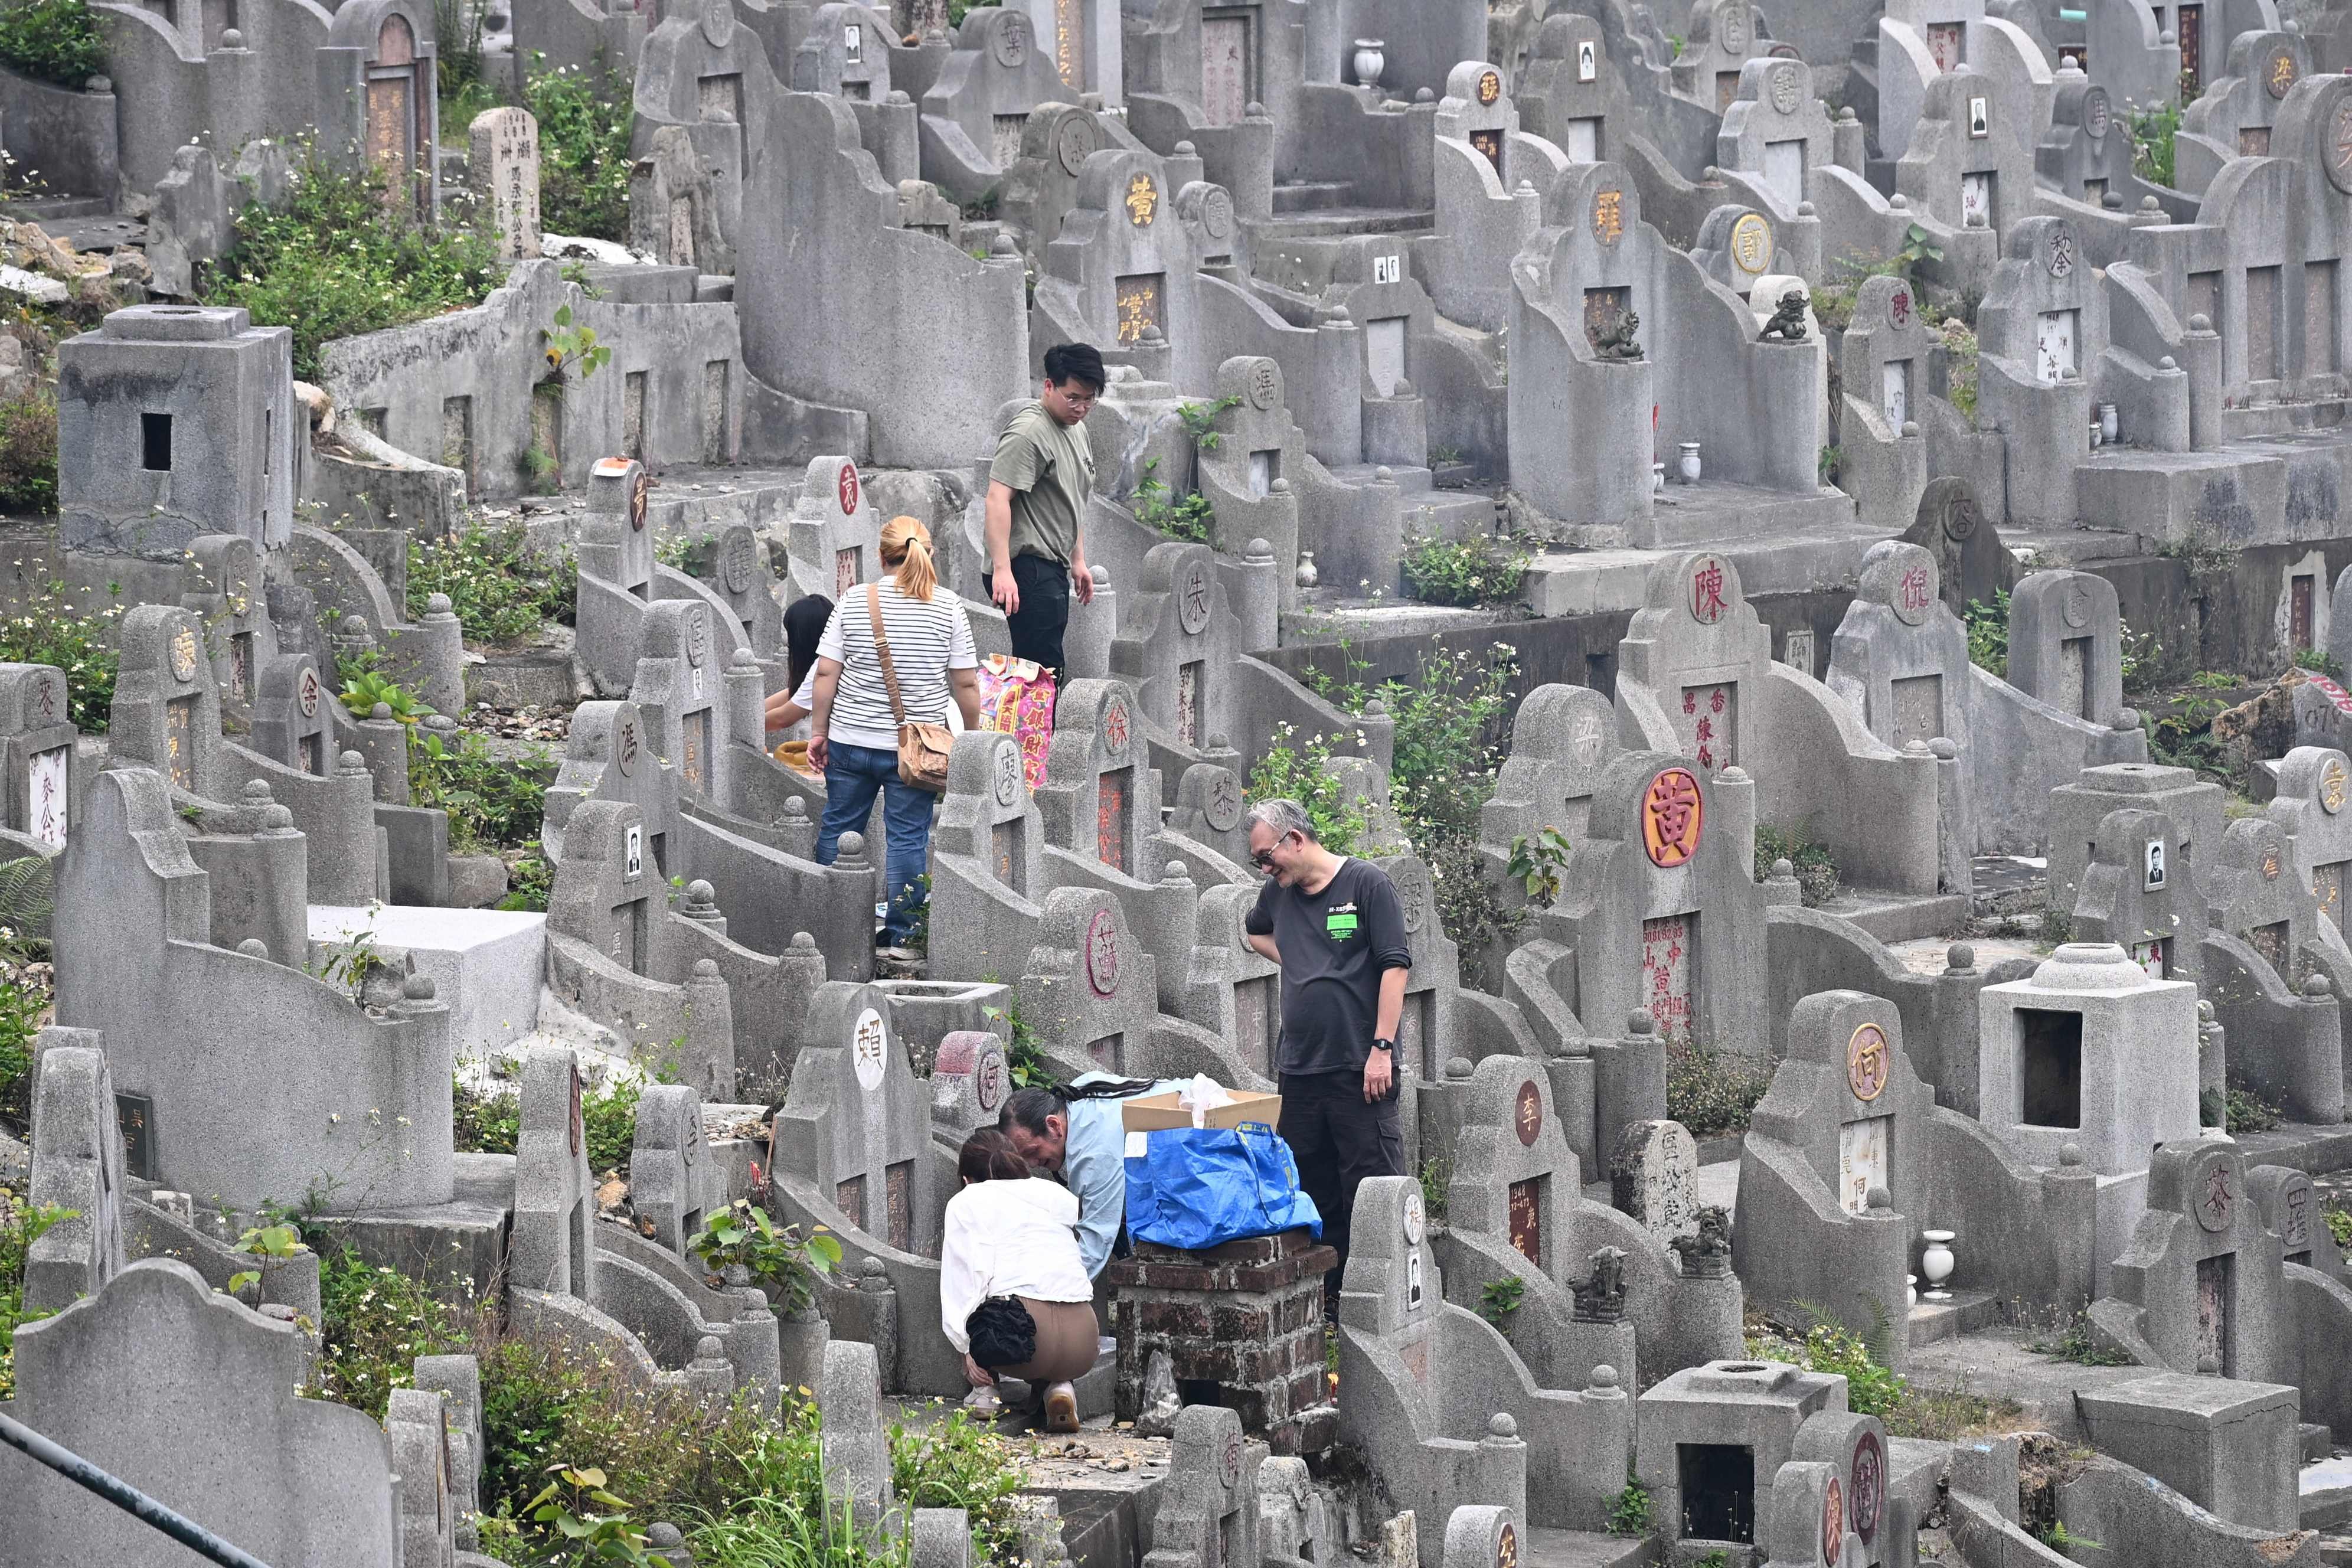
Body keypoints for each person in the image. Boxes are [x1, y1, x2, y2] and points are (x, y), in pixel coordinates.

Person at [1242, 797, 1412, 1312]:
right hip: (1299, 1067)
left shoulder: (1366, 885)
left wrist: (1381, 1048)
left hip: (1360, 1065)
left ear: (1296, 839)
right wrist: (1295, 957)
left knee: (1370, 1184)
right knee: (1312, 1188)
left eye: (1266, 856)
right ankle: (1332, 1302)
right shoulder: (1278, 895)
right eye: (1258, 863)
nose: (1264, 869)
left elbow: (1395, 966)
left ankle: (1384, 1299)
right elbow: (1254, 932)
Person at [808, 517, 982, 948]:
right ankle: (903, 938)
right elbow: (965, 684)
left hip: (849, 740)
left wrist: (818, 732)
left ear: (882, 557)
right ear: (930, 554)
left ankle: (833, 924)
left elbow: (826, 673)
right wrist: (972, 738)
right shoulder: (947, 607)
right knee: (908, 838)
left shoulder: (854, 600)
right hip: (916, 749)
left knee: (838, 827)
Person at [939, 1128, 1097, 1433]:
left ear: (966, 1180)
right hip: (1084, 1339)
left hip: (1025, 1339)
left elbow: (968, 1279)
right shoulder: (1051, 1195)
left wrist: (966, 1348)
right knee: (1036, 1293)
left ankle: (986, 1393)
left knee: (990, 1303)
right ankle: (1060, 1386)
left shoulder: (968, 1201)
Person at [985, 342, 1105, 682]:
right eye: (1073, 397)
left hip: (1053, 565)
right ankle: (1034, 737)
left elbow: (1073, 499)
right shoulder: (1029, 432)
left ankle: (1031, 735)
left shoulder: (1077, 428)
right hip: (1026, 567)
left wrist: (1078, 559)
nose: (1081, 407)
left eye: (1089, 398)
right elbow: (997, 498)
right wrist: (1002, 569)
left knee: (1042, 669)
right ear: (1049, 386)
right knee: (1042, 673)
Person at [998, 1075, 1186, 1279]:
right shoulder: (1078, 1093)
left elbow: (1096, 1245)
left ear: (1053, 1126)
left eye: (1032, 1151)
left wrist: (1047, 1298)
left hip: (1210, 1142)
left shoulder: (1096, 1153)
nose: (1032, 1163)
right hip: (1199, 1099)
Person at [763, 593, 836, 740]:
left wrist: (740, 727)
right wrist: (746, 713)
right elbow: (794, 693)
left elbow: (783, 718)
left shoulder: (823, 668)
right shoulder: (830, 660)